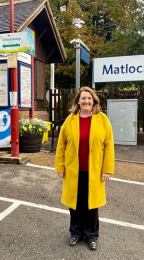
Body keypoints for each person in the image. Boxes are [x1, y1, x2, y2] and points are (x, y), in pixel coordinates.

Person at [55, 86, 114, 251]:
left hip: (94, 171)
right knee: (75, 204)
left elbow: (109, 146)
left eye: (89, 98)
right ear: (78, 101)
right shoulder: (70, 120)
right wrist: (60, 167)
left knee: (91, 205)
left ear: (94, 100)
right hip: (74, 170)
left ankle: (91, 235)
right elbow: (61, 146)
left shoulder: (102, 119)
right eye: (83, 98)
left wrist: (107, 169)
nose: (86, 101)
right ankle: (75, 233)